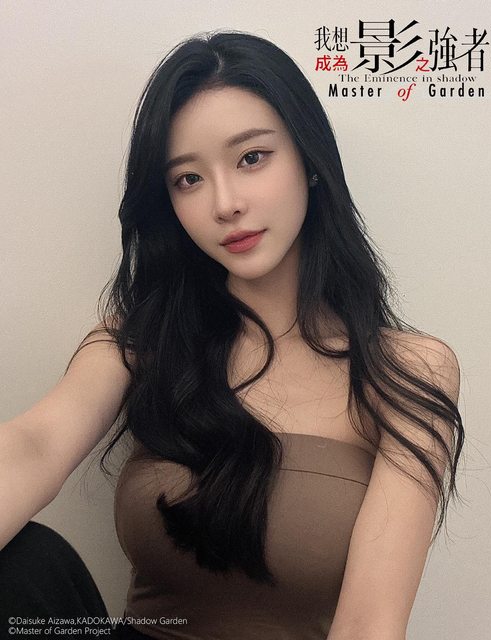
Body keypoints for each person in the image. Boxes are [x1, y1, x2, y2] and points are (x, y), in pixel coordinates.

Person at [0, 29, 465, 640]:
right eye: (188, 179)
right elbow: (33, 445)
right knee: (26, 564)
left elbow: (369, 624)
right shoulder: (139, 343)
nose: (225, 204)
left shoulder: (404, 370)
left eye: (251, 158)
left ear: (310, 161)